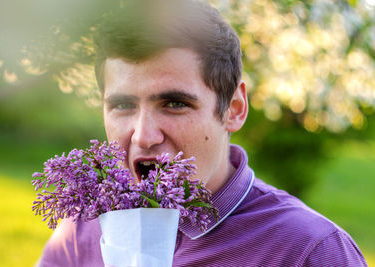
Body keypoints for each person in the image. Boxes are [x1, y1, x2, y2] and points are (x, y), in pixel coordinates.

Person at [37, 0, 368, 266]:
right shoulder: (83, 230)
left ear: (234, 108)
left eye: (174, 103)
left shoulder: (311, 251)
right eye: (122, 105)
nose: (143, 136)